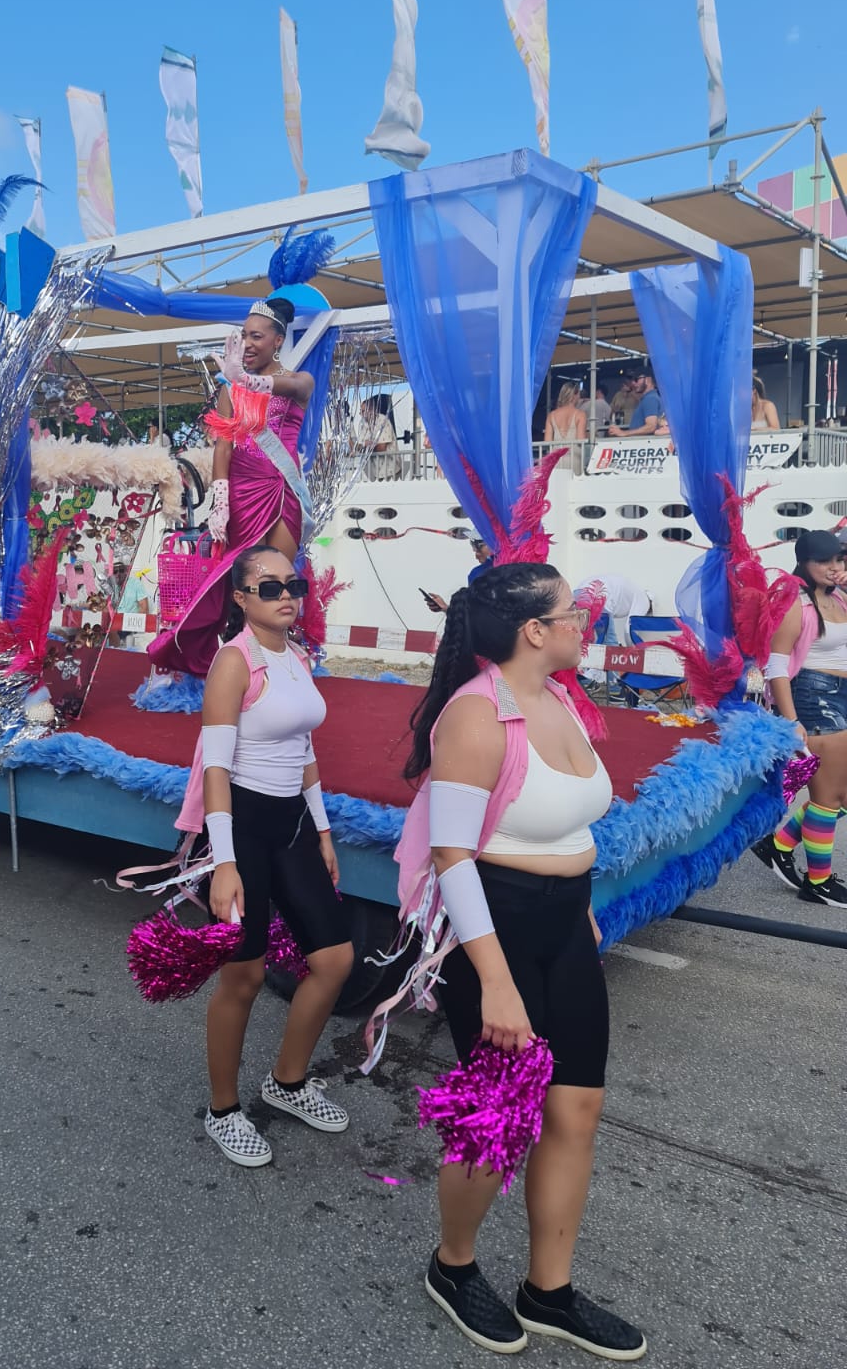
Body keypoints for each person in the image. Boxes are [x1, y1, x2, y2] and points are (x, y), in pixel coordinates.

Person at [399, 563, 645, 1359]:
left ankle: (551, 1290)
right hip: (494, 934)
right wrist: (497, 983)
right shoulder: (475, 718)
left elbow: (567, 823)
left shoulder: (562, 699)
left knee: (575, 1112)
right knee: (497, 1123)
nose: (587, 621)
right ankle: (454, 1265)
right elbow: (453, 857)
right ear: (535, 631)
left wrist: (583, 904)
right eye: (574, 612)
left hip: (567, 928)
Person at [180, 542, 353, 1166]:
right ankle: (222, 1110)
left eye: (294, 585)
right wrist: (223, 863)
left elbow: (304, 749)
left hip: (293, 823)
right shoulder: (234, 662)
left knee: (334, 959)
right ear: (242, 598)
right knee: (245, 975)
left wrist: (325, 831)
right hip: (241, 827)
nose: (287, 596)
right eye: (271, 587)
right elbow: (216, 770)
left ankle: (286, 1082)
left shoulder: (297, 656)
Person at [148, 294, 314, 676]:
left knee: (279, 581)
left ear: (277, 340)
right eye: (244, 335)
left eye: (257, 336)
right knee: (239, 584)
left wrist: (246, 380)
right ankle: (232, 661)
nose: (248, 343)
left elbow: (291, 388)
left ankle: (278, 662)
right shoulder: (230, 389)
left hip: (282, 491)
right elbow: (224, 445)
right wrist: (220, 499)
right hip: (240, 493)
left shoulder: (298, 380)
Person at [753, 530, 847, 906]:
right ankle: (818, 882)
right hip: (812, 694)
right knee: (828, 794)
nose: (834, 568)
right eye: (824, 561)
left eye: (839, 560)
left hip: (841, 695)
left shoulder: (839, 596)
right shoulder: (796, 602)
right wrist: (790, 719)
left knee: (841, 794)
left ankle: (778, 844)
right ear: (804, 563)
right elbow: (777, 664)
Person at [543, 382, 587, 473]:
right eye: (579, 394)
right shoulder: (580, 415)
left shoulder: (551, 415)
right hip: (574, 459)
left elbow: (547, 442)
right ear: (574, 396)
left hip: (555, 461)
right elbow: (580, 440)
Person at [357, 394, 400, 480]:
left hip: (390, 470)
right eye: (360, 411)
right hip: (376, 472)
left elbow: (381, 448)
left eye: (363, 411)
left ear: (372, 410)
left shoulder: (383, 421)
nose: (360, 414)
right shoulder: (363, 425)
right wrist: (364, 446)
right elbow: (359, 446)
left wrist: (367, 446)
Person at [608, 371, 662, 438]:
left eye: (636, 379)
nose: (633, 383)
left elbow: (651, 426)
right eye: (632, 380)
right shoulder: (649, 398)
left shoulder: (650, 399)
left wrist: (624, 433)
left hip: (644, 444)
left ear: (648, 380)